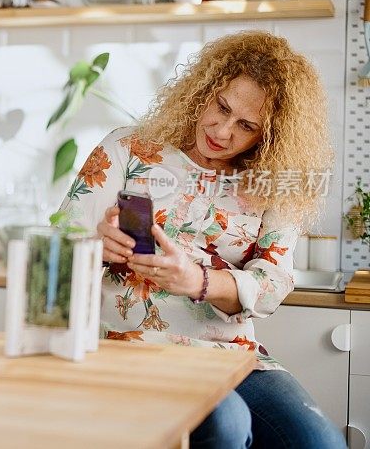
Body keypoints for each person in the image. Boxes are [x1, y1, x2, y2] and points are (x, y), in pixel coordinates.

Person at [59, 31, 346, 448]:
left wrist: (199, 281)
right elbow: (57, 249)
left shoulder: (275, 180)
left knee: (320, 443)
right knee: (225, 424)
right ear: (204, 91)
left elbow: (272, 281)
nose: (222, 130)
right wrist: (95, 247)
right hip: (129, 343)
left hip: (231, 354)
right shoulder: (127, 149)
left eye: (246, 125)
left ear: (269, 135)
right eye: (221, 107)